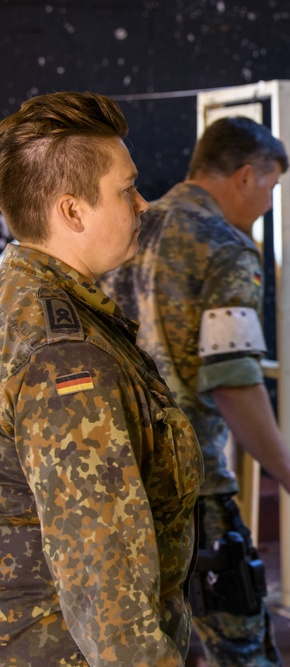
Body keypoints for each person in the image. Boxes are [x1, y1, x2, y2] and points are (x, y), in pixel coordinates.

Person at [101, 116, 290, 666]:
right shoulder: (225, 247)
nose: (268, 204)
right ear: (246, 176)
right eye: (272, 188)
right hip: (191, 486)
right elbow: (232, 378)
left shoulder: (125, 231)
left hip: (118, 476)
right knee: (241, 646)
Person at [0, 91, 203, 664]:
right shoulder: (66, 358)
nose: (143, 204)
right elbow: (104, 579)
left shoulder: (20, 301)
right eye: (126, 189)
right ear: (72, 211)